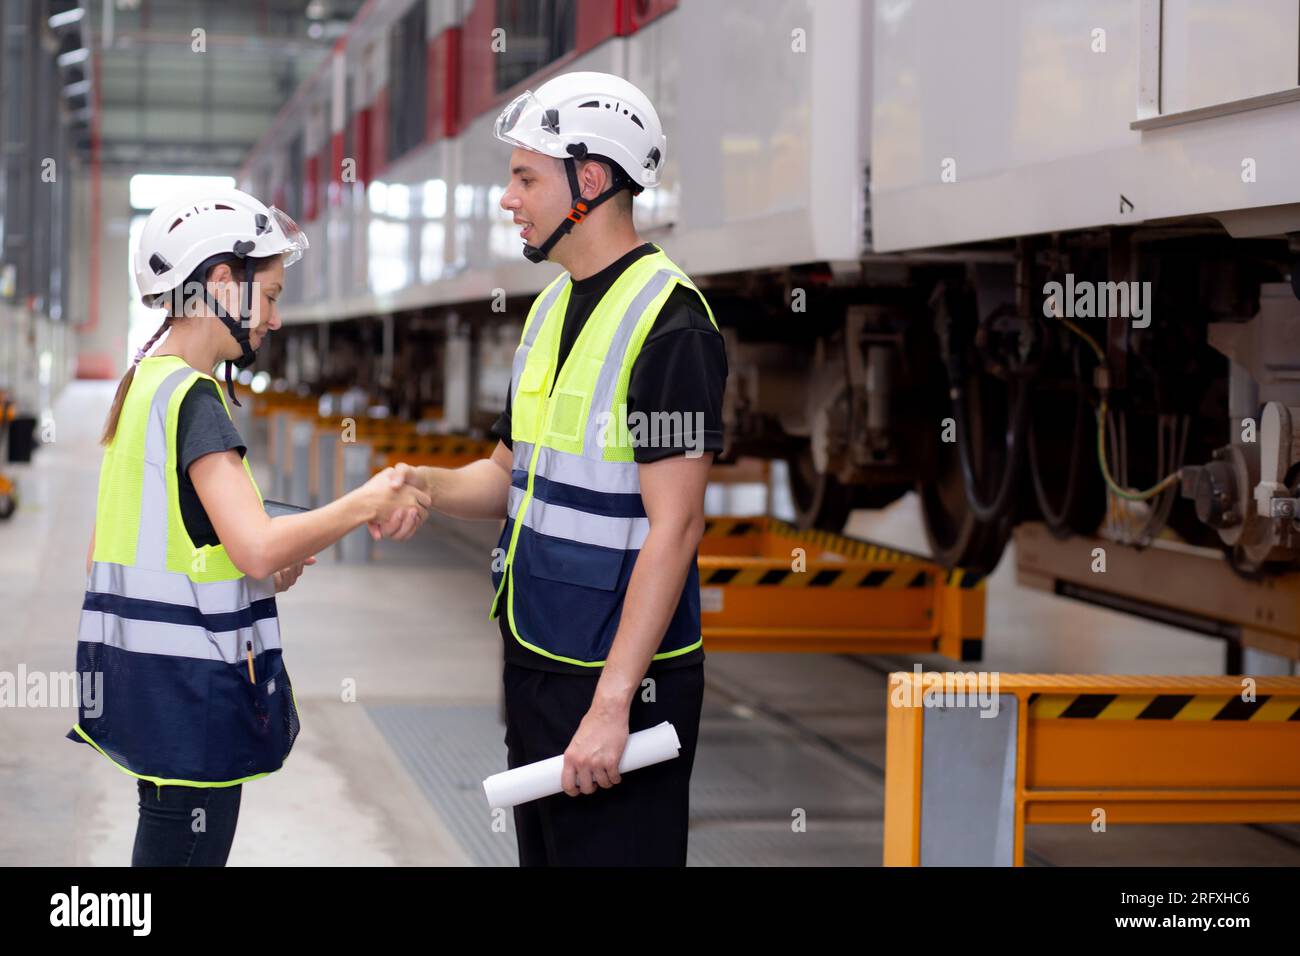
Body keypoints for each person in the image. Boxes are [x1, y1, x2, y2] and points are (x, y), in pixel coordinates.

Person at [375, 71, 727, 865]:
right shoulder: (550, 308)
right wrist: (422, 485)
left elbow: (674, 527)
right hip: (538, 657)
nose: (508, 198)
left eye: (525, 177)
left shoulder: (671, 326)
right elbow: (510, 476)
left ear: (591, 181)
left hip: (621, 684)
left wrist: (610, 709)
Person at [71, 188, 431, 866]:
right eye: (267, 295)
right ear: (219, 284)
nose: (274, 317)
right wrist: (367, 500)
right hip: (193, 694)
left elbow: (130, 545)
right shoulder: (197, 399)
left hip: (142, 683)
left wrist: (251, 564)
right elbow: (257, 547)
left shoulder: (144, 384)